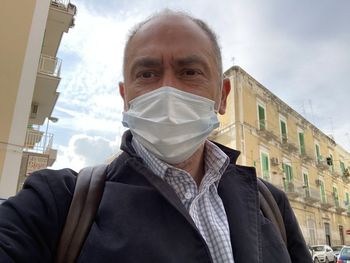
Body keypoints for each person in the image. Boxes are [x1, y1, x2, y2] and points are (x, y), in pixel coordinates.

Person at [0, 10, 312, 263]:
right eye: (147, 74)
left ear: (222, 96)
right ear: (126, 97)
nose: (168, 90)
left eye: (189, 72)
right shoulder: (59, 203)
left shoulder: (269, 203)